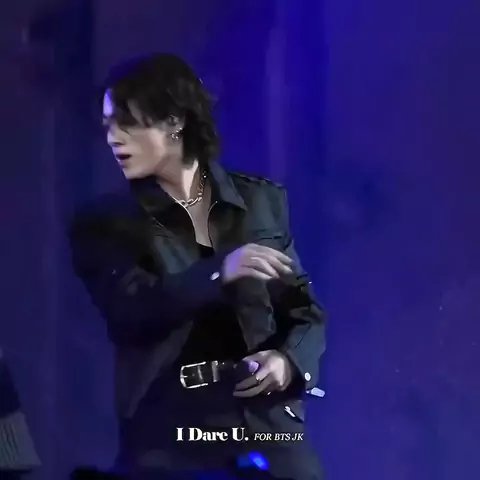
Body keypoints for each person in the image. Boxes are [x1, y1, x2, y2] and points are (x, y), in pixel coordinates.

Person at [68, 53, 326, 480]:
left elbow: (303, 311)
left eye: (128, 123)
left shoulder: (260, 201)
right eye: (108, 126)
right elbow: (129, 309)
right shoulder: (106, 222)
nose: (114, 138)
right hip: (172, 435)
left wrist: (287, 362)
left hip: (269, 428)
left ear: (174, 121)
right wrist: (219, 272)